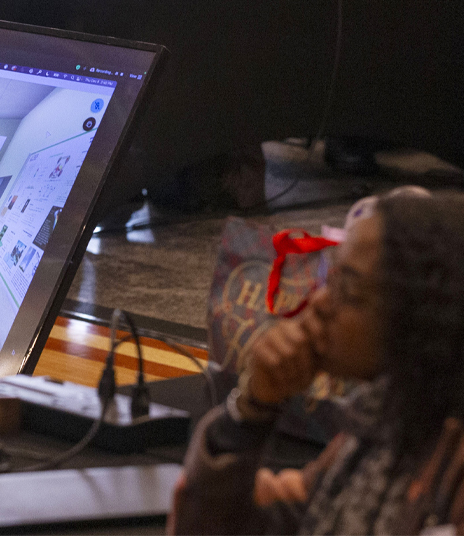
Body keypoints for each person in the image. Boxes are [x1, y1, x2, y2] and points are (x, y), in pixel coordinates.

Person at [169, 191, 464, 535]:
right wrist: (251, 411)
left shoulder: (447, 464)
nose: (320, 302)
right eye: (331, 281)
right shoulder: (378, 426)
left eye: (347, 288)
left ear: (420, 316)